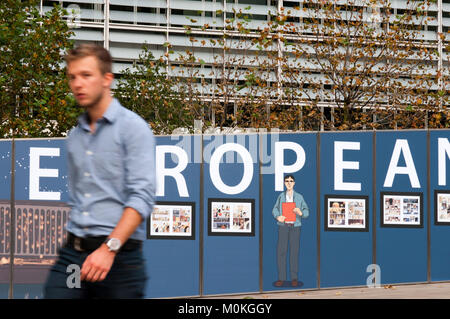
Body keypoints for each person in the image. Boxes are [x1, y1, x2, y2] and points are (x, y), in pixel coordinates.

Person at [44, 44, 156, 299]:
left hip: (120, 260)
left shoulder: (133, 129)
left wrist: (108, 248)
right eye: (72, 77)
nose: (77, 84)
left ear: (107, 79)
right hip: (74, 258)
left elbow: (142, 198)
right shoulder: (75, 137)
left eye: (86, 75)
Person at [272, 174, 309, 287]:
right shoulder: (281, 197)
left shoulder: (299, 197)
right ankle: (281, 278)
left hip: (295, 227)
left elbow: (306, 212)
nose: (289, 182)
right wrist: (278, 217)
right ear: (284, 183)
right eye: (287, 181)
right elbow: (275, 209)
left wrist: (300, 213)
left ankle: (294, 278)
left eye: (291, 181)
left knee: (294, 252)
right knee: (281, 252)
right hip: (283, 227)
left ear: (294, 183)